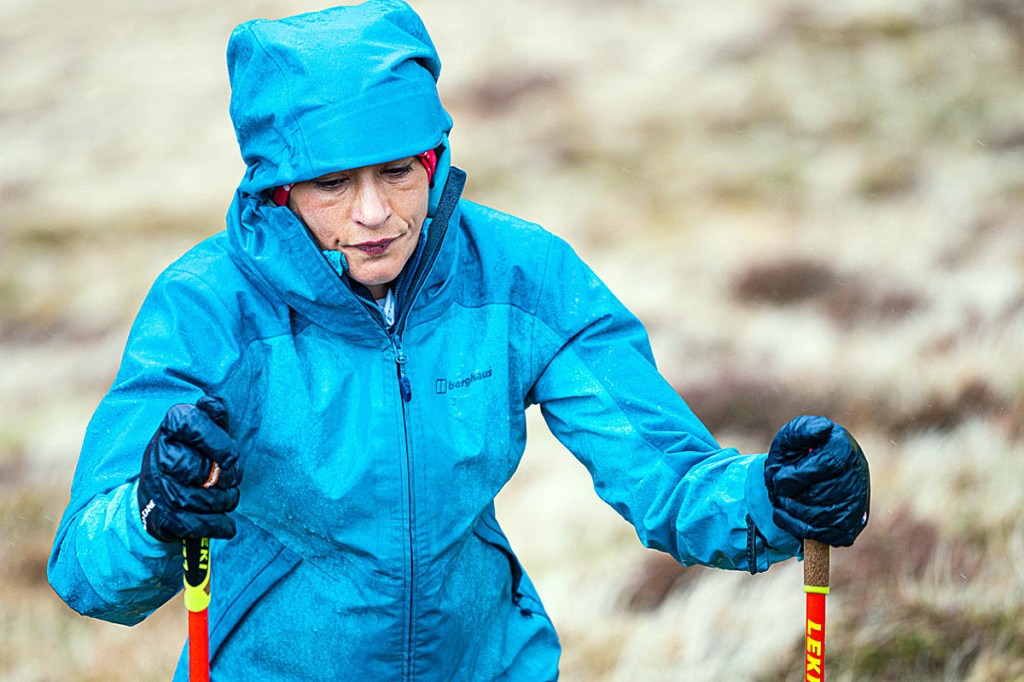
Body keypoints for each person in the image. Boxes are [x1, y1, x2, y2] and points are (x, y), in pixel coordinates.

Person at [47, 2, 870, 680]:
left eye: (400, 171)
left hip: (492, 664)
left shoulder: (518, 275)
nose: (374, 212)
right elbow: (86, 568)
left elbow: (669, 476)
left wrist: (777, 498)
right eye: (334, 183)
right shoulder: (206, 310)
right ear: (276, 189)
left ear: (435, 161)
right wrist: (154, 511)